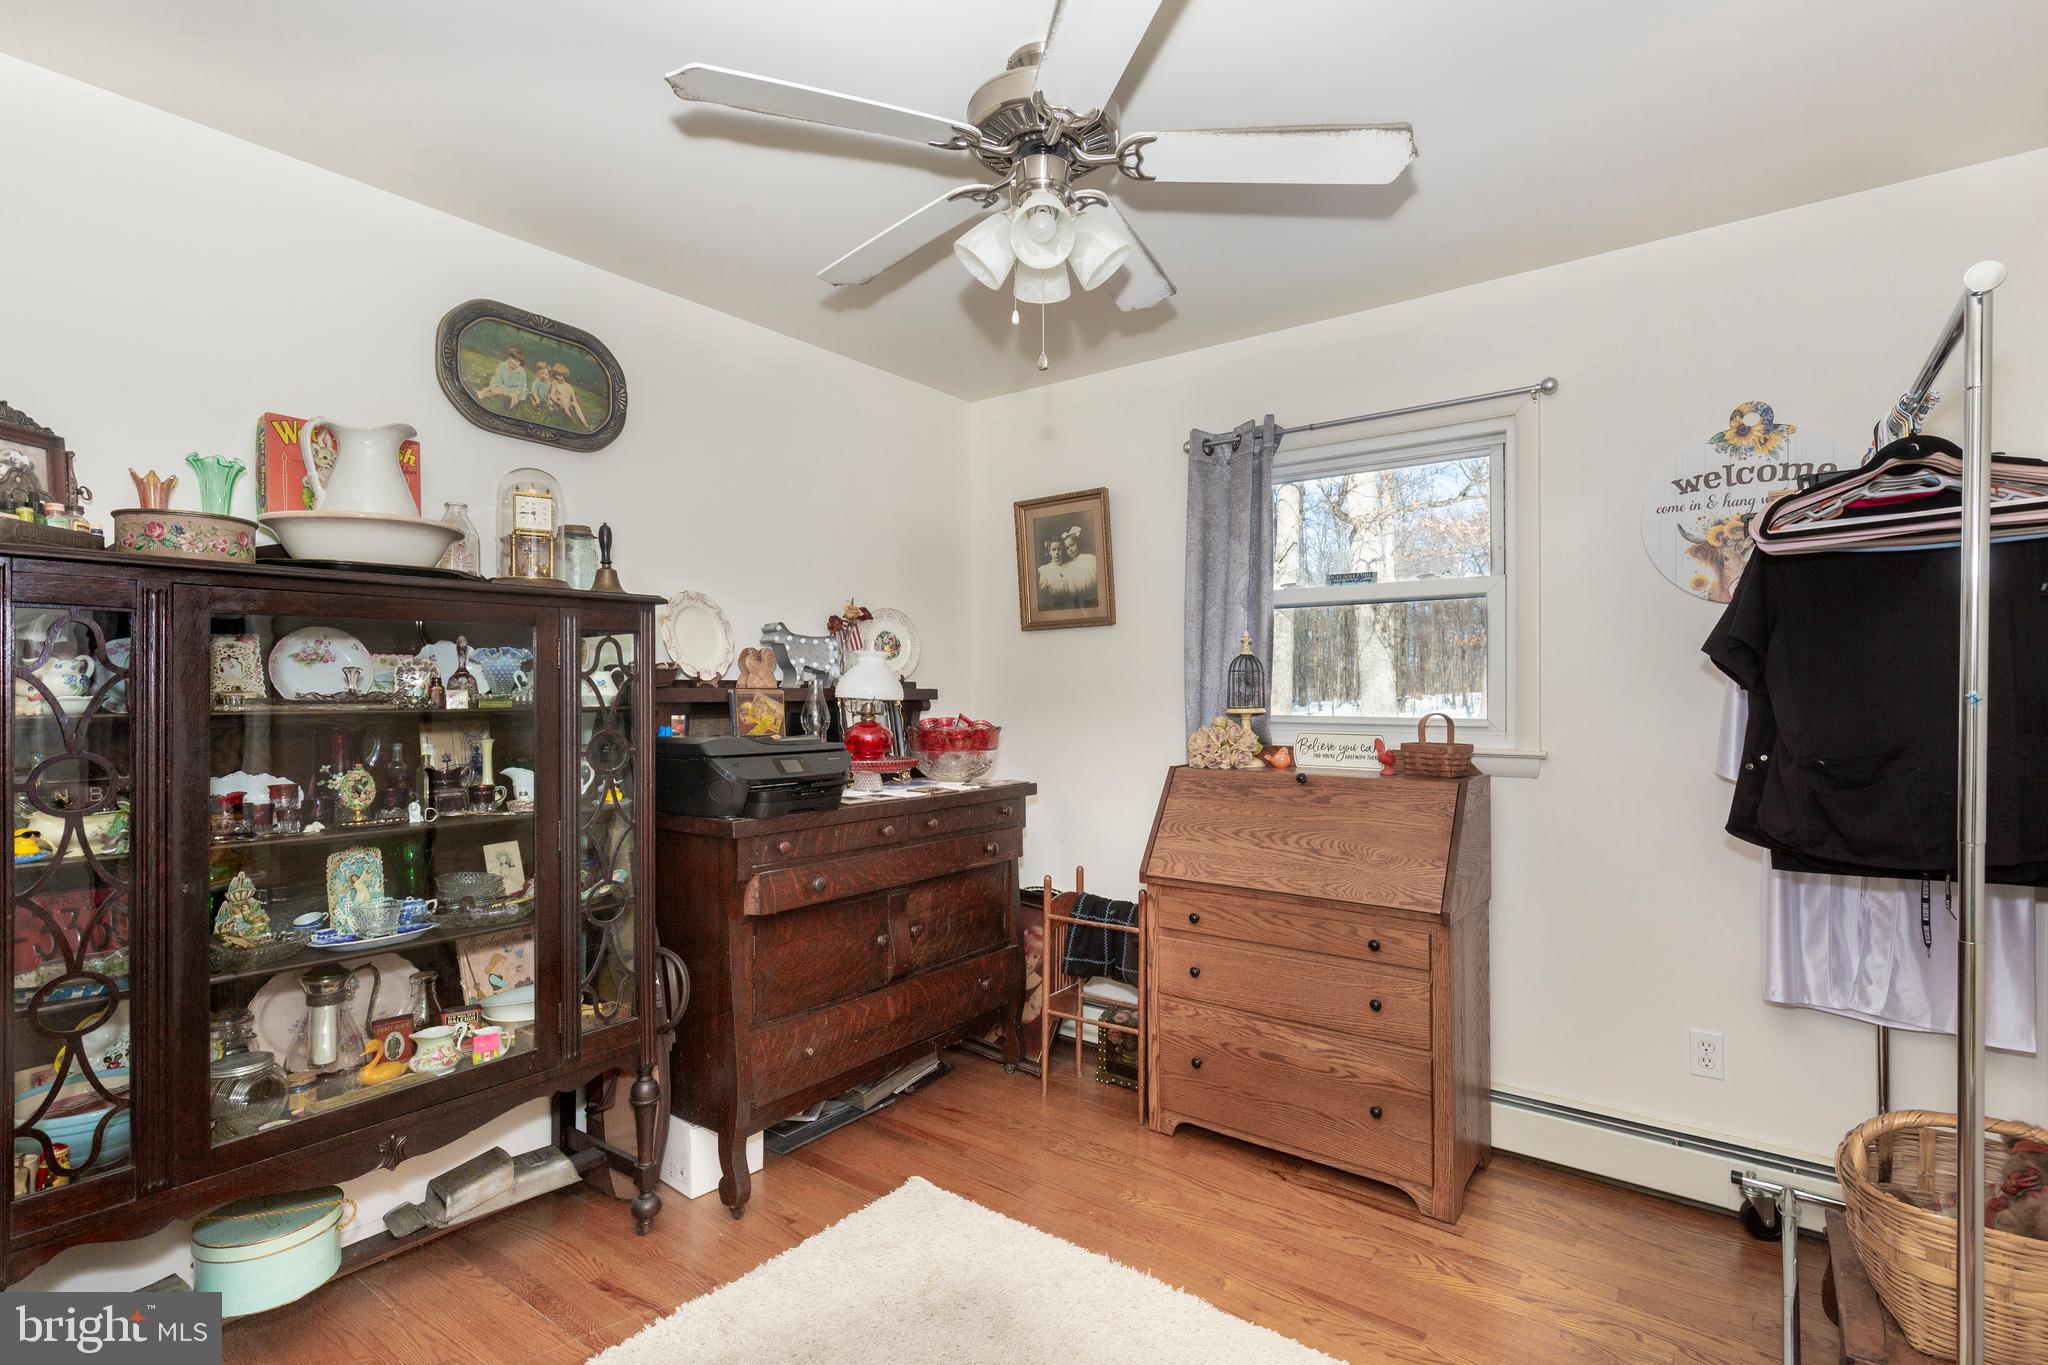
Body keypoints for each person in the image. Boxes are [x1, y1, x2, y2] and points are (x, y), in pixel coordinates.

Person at [1060, 525, 1099, 603]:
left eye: (1072, 545)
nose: (1070, 549)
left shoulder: (1090, 559)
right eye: (1067, 548)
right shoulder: (1068, 567)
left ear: (1078, 543)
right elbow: (1071, 589)